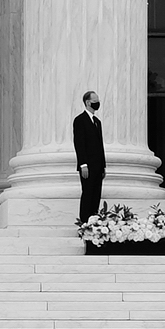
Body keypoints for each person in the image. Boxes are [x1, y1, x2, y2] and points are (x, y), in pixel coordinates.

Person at [73, 90, 106, 227]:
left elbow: (100, 145)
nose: (97, 103)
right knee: (87, 193)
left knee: (96, 194)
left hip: (98, 166)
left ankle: (94, 220)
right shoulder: (80, 120)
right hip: (87, 166)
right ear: (88, 102)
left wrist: (103, 166)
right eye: (95, 100)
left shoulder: (97, 122)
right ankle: (84, 222)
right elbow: (79, 144)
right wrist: (83, 164)